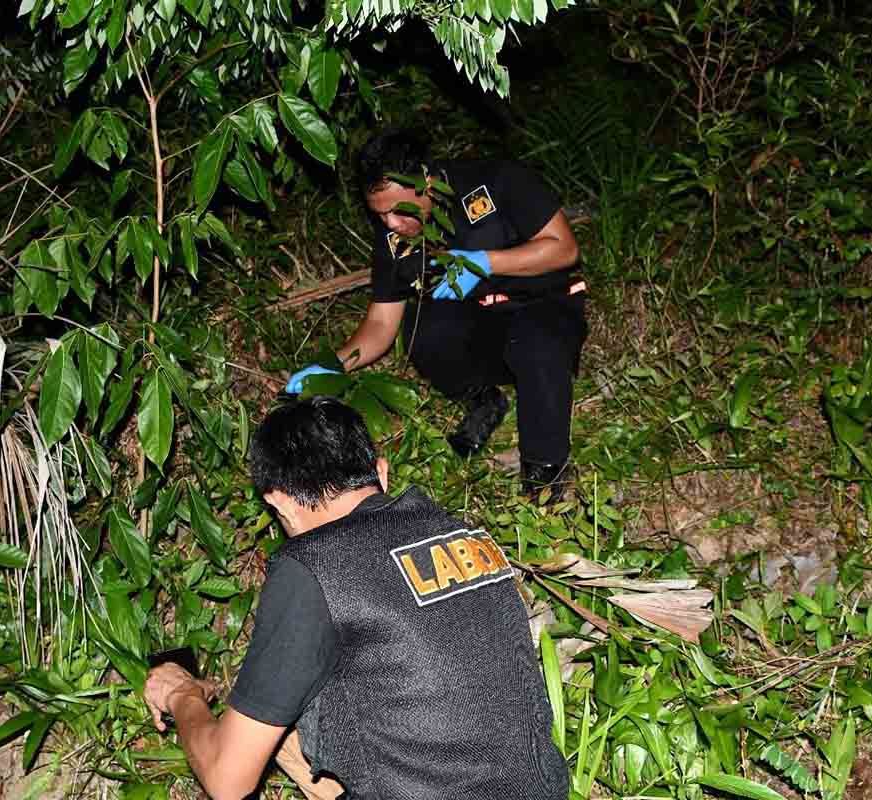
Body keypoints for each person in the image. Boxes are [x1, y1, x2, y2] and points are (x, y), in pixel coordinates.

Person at [143, 397, 569, 800]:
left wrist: (183, 695)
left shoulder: (313, 564)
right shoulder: (463, 533)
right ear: (381, 473)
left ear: (279, 502)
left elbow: (227, 780)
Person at [283, 130, 587, 500]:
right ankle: (482, 400)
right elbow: (381, 323)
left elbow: (565, 249)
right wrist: (333, 366)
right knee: (422, 327)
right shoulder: (395, 239)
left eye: (399, 210)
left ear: (426, 181)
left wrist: (487, 263)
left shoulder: (496, 180)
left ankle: (544, 481)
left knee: (536, 346)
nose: (392, 224)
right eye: (380, 215)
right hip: (487, 329)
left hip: (545, 307)